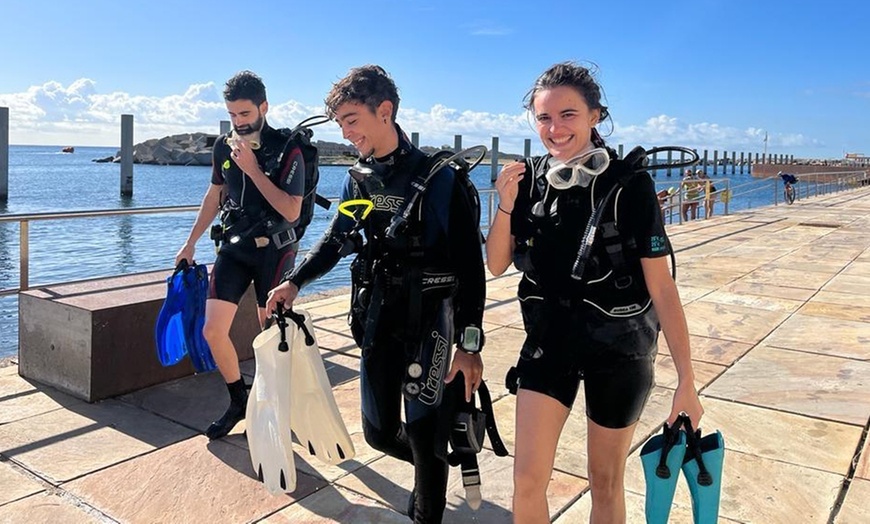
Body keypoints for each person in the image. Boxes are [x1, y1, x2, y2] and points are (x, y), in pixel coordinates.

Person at [265, 65, 486, 523]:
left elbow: (470, 268)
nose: (347, 134)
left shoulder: (441, 178)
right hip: (380, 316)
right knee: (379, 435)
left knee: (425, 437)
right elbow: (336, 239)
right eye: (341, 124)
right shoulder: (360, 177)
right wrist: (295, 281)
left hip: (433, 323)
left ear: (384, 111)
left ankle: (430, 488)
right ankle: (436, 469)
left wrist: (469, 346)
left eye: (352, 120)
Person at [486, 62, 703, 523]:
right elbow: (497, 263)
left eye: (568, 115)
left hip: (619, 349)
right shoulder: (528, 182)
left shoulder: (629, 185)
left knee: (604, 482)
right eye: (544, 118)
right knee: (526, 481)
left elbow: (662, 288)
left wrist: (687, 381)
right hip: (549, 344)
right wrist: (506, 204)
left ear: (594, 116)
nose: (555, 128)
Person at [175, 70, 306, 440]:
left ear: (264, 107)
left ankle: (278, 404)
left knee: (271, 336)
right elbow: (214, 195)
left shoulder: (286, 149)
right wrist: (190, 243)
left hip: (275, 251)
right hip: (234, 248)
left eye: (245, 114)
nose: (239, 122)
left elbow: (292, 210)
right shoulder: (223, 147)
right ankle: (238, 400)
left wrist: (253, 169)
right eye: (232, 115)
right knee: (213, 330)